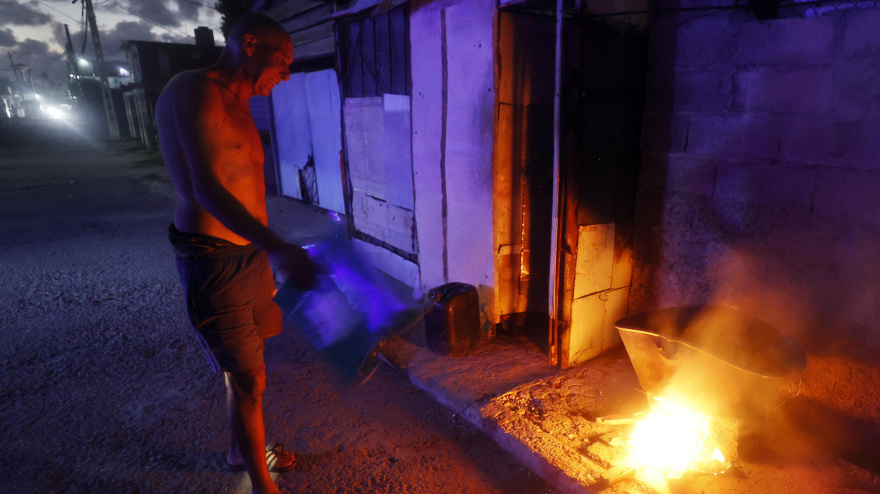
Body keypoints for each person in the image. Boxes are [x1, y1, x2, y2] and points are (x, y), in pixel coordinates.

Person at [155, 13, 314, 494]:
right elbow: (206, 188)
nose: (285, 73)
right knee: (248, 378)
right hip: (214, 259)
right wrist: (280, 248)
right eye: (282, 60)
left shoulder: (241, 102)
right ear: (249, 44)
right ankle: (263, 486)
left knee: (249, 368)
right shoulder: (194, 89)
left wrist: (269, 251)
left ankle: (235, 448)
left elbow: (245, 187)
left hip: (249, 258)